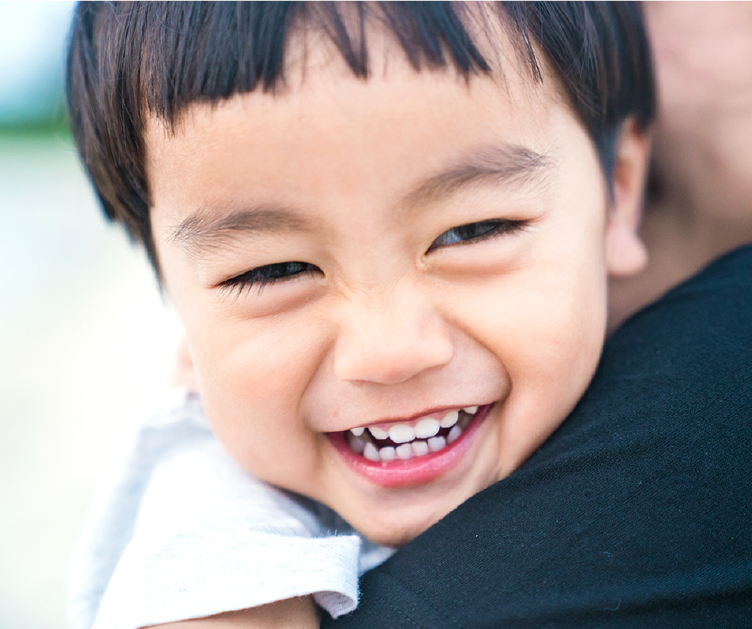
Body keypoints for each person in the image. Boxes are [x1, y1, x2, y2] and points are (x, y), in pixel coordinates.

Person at [66, 3, 655, 628]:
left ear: (615, 194)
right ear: (179, 309)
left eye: (473, 231)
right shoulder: (210, 536)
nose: (388, 351)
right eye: (272, 272)